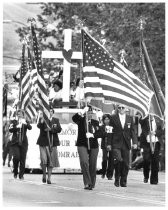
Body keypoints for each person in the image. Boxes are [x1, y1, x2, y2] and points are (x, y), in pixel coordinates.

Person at [72, 106, 104, 190]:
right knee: (84, 162)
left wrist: (93, 135)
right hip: (82, 144)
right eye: (88, 112)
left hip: (93, 145)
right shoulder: (81, 120)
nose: (90, 114)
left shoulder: (96, 122)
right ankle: (87, 183)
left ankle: (92, 183)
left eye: (91, 113)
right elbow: (74, 118)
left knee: (93, 165)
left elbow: (101, 133)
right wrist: (81, 112)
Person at [109, 104, 137, 187]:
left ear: (126, 109)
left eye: (123, 108)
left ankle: (123, 180)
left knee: (125, 163)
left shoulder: (130, 118)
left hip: (126, 143)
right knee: (118, 160)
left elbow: (132, 131)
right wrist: (109, 144)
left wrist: (135, 142)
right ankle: (117, 178)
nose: (121, 109)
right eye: (119, 108)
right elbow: (110, 132)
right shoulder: (113, 117)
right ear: (117, 109)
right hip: (116, 143)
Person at [36, 109, 62, 184]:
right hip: (43, 142)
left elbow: (59, 129)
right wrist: (41, 120)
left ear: (53, 113)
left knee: (51, 161)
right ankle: (44, 174)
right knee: (44, 159)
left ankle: (49, 178)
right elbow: (39, 126)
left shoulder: (56, 120)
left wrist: (51, 129)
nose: (49, 112)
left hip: (53, 143)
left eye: (51, 111)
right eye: (48, 111)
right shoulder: (43, 119)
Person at [139, 115, 163, 184]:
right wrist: (146, 115)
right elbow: (140, 121)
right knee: (146, 159)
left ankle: (154, 180)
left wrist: (155, 132)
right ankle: (146, 176)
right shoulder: (144, 119)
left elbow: (162, 130)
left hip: (156, 143)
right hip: (146, 143)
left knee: (155, 161)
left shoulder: (159, 119)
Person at [9, 109, 32, 179]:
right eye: (18, 114)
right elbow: (10, 129)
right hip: (15, 142)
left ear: (23, 114)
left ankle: (21, 175)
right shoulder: (14, 121)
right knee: (16, 157)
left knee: (22, 159)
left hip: (24, 142)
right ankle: (15, 171)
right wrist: (16, 127)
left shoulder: (25, 121)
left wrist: (26, 123)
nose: (19, 115)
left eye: (20, 114)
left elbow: (30, 128)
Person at [100, 114, 114, 180]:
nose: (107, 121)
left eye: (108, 119)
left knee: (111, 160)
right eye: (105, 119)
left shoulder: (112, 126)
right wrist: (106, 132)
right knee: (105, 159)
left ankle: (110, 174)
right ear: (103, 120)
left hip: (112, 145)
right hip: (104, 145)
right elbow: (101, 135)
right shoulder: (102, 127)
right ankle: (103, 172)